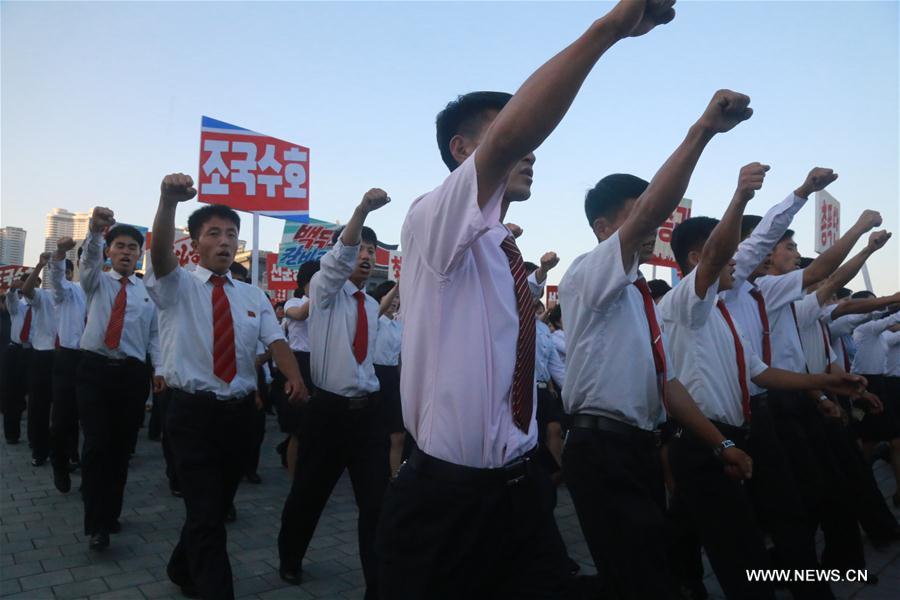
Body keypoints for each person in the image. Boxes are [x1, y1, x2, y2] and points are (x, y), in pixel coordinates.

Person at [378, 3, 679, 597]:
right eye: (505, 133)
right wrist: (609, 29)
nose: (531, 151)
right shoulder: (431, 221)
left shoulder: (497, 250)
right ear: (464, 150)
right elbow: (518, 134)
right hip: (447, 496)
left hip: (520, 487)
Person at [559, 89, 754, 600]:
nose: (651, 224)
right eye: (637, 213)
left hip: (637, 448)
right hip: (602, 450)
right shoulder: (590, 274)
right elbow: (657, 214)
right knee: (643, 580)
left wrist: (723, 444)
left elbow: (669, 387)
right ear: (603, 229)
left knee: (648, 571)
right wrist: (702, 132)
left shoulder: (639, 300)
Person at [662, 163, 868, 599]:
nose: (739, 261)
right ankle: (685, 578)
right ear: (702, 259)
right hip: (707, 439)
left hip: (747, 426)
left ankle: (810, 588)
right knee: (735, 547)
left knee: (779, 518)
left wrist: (827, 385)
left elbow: (760, 371)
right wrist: (743, 197)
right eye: (726, 255)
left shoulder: (725, 311)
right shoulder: (686, 303)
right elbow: (738, 250)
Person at [148, 174, 306, 600]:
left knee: (214, 508)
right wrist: (167, 203)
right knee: (206, 512)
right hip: (191, 415)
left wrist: (294, 378)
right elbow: (160, 256)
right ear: (195, 243)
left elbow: (275, 342)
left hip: (239, 415)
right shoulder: (175, 285)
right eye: (213, 233)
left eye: (230, 234)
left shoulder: (252, 296)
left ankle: (182, 566)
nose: (223, 240)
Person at [278, 191, 390, 600]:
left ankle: (377, 584)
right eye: (360, 247)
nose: (365, 255)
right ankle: (290, 556)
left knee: (376, 503)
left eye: (371, 249)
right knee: (309, 493)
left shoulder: (371, 306)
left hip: (368, 415)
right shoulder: (324, 292)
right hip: (328, 412)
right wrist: (360, 213)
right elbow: (339, 258)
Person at [76, 210, 163, 551]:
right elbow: (87, 262)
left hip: (131, 374)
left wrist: (159, 370)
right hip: (94, 369)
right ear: (110, 251)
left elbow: (155, 336)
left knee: (121, 449)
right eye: (120, 246)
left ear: (140, 253)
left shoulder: (148, 293)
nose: (127, 252)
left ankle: (111, 513)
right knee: (96, 444)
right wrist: (96, 234)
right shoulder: (95, 281)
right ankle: (96, 522)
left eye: (133, 247)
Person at [47, 238, 87, 493]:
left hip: (98, 360)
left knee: (96, 424)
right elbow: (57, 281)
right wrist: (61, 253)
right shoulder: (71, 290)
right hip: (69, 358)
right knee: (62, 421)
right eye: (87, 259)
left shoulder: (113, 290)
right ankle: (60, 466)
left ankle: (92, 478)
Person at [277, 260, 321, 477]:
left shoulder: (326, 304)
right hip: (298, 363)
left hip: (320, 363)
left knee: (315, 427)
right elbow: (301, 314)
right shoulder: (292, 303)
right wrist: (321, 293)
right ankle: (295, 476)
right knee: (298, 429)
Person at [18, 254, 57, 468]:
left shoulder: (79, 293)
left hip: (67, 357)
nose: (63, 275)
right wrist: (40, 265)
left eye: (67, 271)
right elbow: (25, 291)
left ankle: (65, 453)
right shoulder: (44, 295)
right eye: (59, 269)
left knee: (64, 410)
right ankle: (39, 450)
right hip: (42, 355)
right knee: (39, 407)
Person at [371, 280, 405, 476]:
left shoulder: (398, 325)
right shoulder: (373, 319)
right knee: (376, 431)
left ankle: (395, 476)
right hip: (375, 375)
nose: (395, 301)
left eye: (398, 298)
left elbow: (399, 357)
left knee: (398, 433)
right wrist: (397, 286)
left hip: (393, 377)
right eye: (391, 296)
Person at [3, 275, 33, 445]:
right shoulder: (17, 304)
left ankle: (33, 436)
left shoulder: (42, 304)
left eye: (35, 283)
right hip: (15, 352)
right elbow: (11, 302)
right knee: (12, 395)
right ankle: (12, 434)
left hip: (33, 352)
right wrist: (13, 289)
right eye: (28, 283)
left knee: (35, 397)